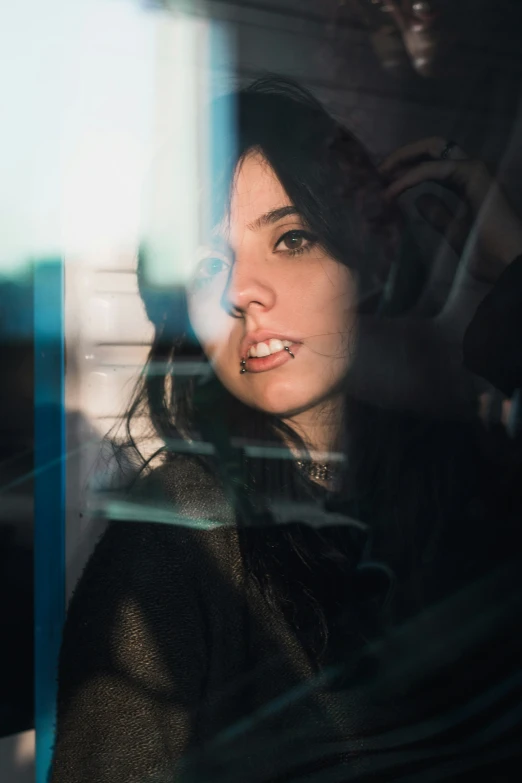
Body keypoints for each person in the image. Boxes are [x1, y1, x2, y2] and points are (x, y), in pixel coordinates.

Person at [50, 78, 522, 783]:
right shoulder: (172, 540)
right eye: (211, 264)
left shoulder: (455, 477)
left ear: (362, 264)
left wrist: (513, 264)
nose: (244, 290)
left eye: (291, 237)